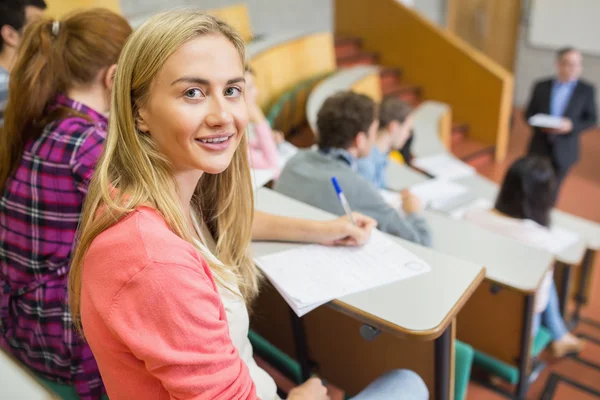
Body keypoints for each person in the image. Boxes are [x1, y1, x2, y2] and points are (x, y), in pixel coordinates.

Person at [68, 10, 429, 400]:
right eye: (193, 92)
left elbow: (230, 219)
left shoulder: (158, 196)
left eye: (232, 90)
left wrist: (324, 230)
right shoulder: (154, 263)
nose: (223, 116)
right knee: (409, 384)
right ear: (139, 111)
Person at [0, 8, 132, 399]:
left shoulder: (41, 118)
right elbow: (173, 218)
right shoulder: (88, 142)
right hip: (62, 340)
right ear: (114, 77)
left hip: (21, 324)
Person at [464, 156, 584, 357]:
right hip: (516, 332)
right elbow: (539, 303)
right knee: (544, 281)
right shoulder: (542, 241)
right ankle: (559, 335)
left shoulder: (472, 215)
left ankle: (560, 336)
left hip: (472, 313)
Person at [276, 91, 432, 246]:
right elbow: (421, 241)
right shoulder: (355, 186)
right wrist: (413, 210)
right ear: (360, 140)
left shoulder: (294, 162)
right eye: (373, 131)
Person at [524, 47, 597, 203]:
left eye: (577, 65)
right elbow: (528, 114)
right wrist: (541, 125)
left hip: (565, 149)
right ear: (558, 64)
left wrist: (571, 126)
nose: (573, 69)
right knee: (531, 187)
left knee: (552, 191)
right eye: (568, 64)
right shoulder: (541, 86)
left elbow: (591, 119)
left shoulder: (586, 90)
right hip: (539, 146)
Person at [0, 0, 46, 125]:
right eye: (37, 26)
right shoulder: (7, 88)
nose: (46, 34)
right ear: (10, 35)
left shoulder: (15, 79)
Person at [245, 67, 297, 177]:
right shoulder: (233, 142)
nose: (256, 92)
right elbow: (273, 165)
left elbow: (249, 143)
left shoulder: (245, 125)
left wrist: (267, 138)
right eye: (250, 87)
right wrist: (259, 120)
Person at [357, 97, 414, 189]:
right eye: (407, 130)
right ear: (394, 127)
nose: (408, 135)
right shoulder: (366, 163)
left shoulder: (382, 155)